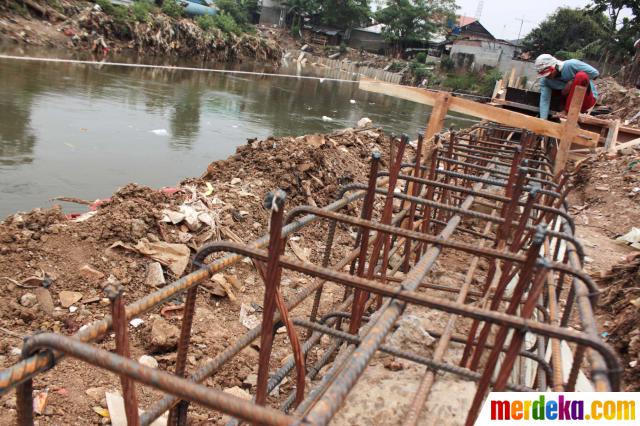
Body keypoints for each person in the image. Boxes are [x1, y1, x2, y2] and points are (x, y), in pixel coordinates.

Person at [535, 54, 599, 120]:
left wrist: (573, 81)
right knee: (549, 86)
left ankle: (567, 111)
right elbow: (545, 100)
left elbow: (595, 74)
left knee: (581, 76)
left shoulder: (571, 64)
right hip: (565, 102)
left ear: (555, 66)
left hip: (585, 100)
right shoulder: (545, 80)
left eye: (549, 73)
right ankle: (563, 110)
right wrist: (543, 120)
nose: (548, 76)